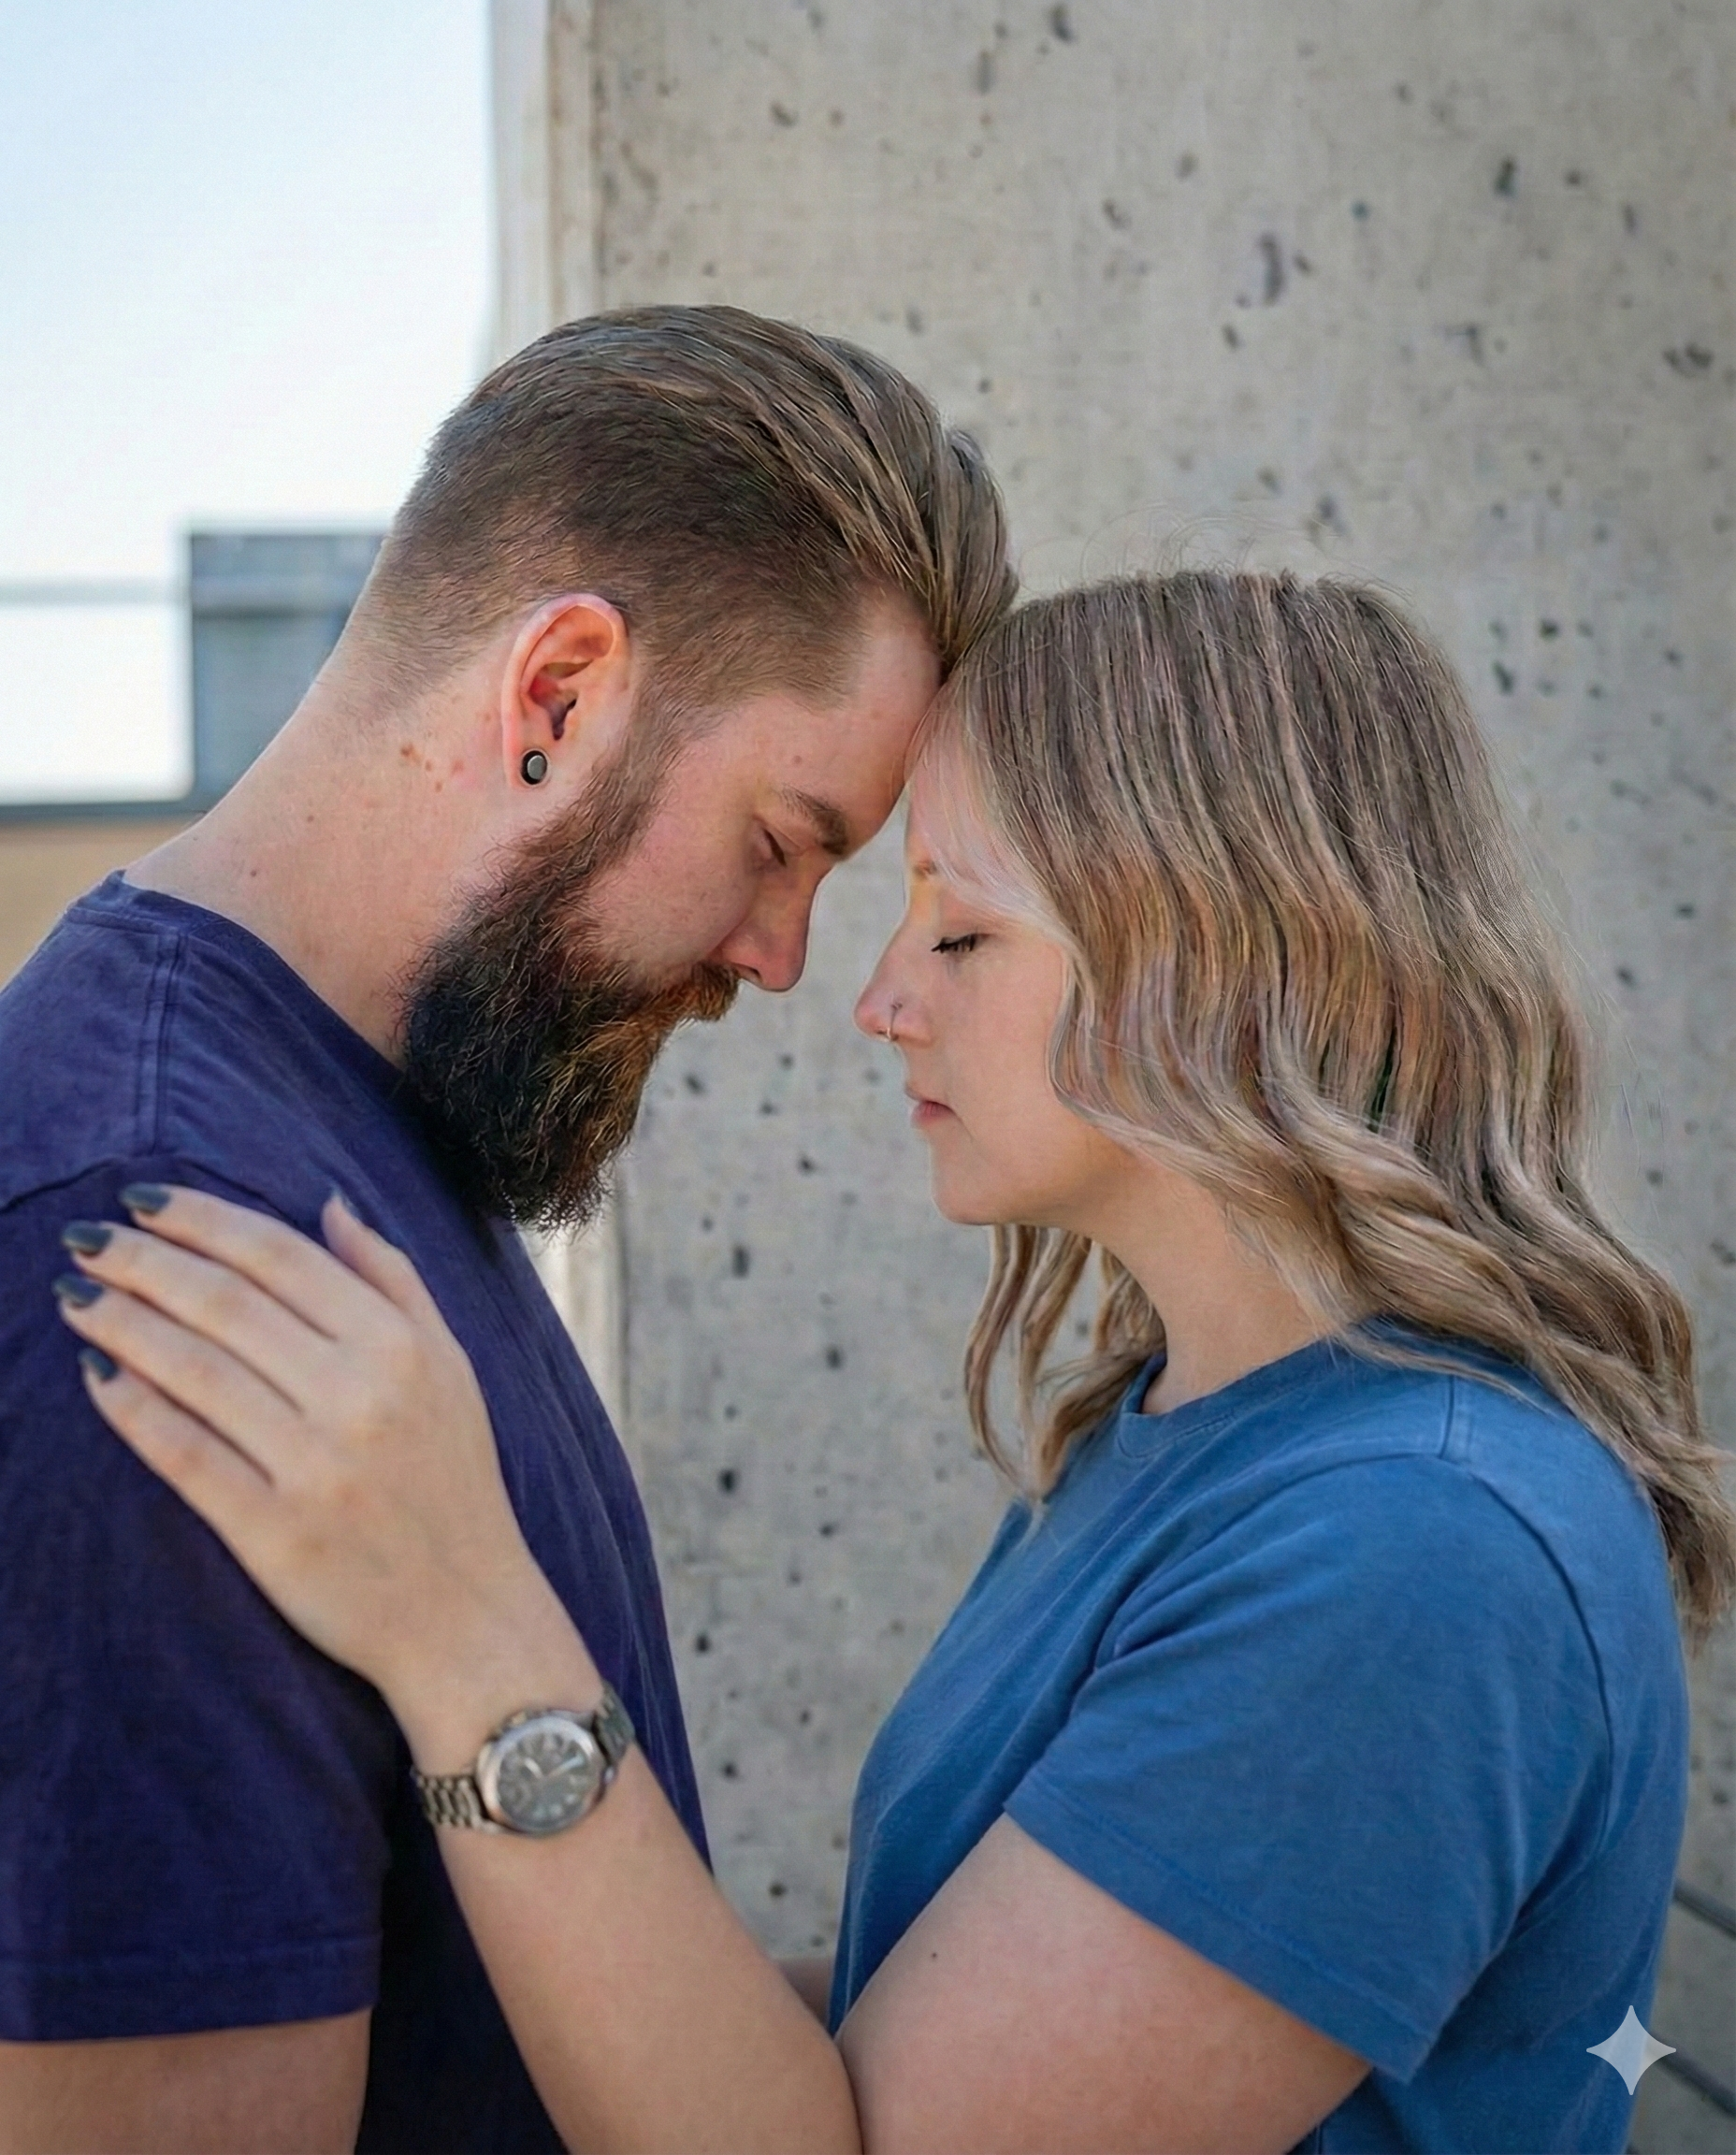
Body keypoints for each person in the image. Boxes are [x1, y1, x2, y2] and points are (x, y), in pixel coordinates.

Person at [56, 571, 1734, 2154]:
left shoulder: (1412, 1555)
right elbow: (908, 2059)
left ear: (1228, 967)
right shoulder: (1186, 1441)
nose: (869, 997)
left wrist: (458, 1623)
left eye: (960, 934)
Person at [0, 306, 1013, 2153]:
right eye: (782, 843)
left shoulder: (362, 1135)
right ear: (557, 693)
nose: (780, 961)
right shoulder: (156, 1251)